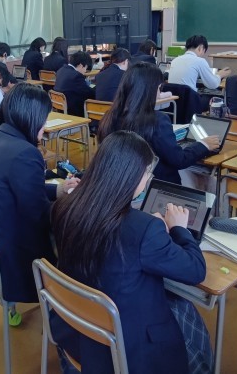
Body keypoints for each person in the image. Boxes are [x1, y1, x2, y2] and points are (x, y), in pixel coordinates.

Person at [51, 130, 211, 374]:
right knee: (185, 312)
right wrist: (179, 228)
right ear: (133, 176)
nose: (148, 179)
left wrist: (151, 228)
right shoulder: (144, 229)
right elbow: (196, 271)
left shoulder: (65, 206)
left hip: (75, 327)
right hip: (124, 346)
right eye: (147, 173)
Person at [0, 83, 79, 308]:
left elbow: (17, 189)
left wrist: (59, 190)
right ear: (31, 118)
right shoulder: (26, 153)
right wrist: (76, 203)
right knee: (71, 235)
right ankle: (63, 302)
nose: (44, 126)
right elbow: (40, 215)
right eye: (44, 119)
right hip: (3, 256)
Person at [98, 63, 219, 184]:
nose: (160, 93)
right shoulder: (157, 120)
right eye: (159, 88)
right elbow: (179, 160)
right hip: (157, 188)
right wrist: (203, 145)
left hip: (121, 184)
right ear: (150, 90)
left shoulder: (110, 117)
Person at [54, 51, 95, 117]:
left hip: (61, 108)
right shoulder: (76, 76)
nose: (85, 71)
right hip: (74, 110)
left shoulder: (61, 70)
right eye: (85, 68)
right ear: (81, 65)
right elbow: (89, 93)